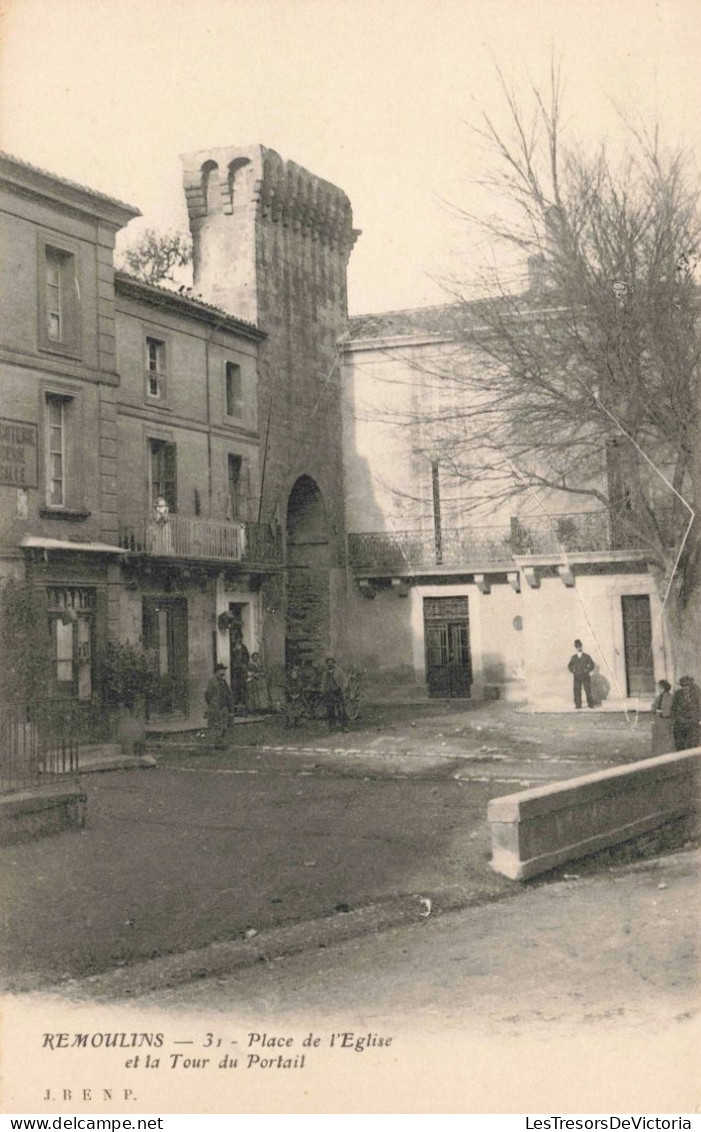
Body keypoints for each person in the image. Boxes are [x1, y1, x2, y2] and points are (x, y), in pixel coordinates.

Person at [204, 663, 234, 748]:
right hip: (217, 707)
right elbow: (207, 694)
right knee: (218, 726)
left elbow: (229, 694)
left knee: (224, 725)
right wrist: (213, 704)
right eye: (221, 670)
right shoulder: (212, 681)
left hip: (225, 707)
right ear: (217, 671)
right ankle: (218, 743)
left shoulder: (224, 681)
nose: (223, 672)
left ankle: (220, 741)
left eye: (224, 670)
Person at [671, 675, 701, 751]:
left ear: (690, 686)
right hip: (680, 723)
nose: (685, 688)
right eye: (682, 686)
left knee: (692, 744)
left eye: (686, 685)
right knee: (680, 745)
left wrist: (697, 719)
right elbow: (673, 708)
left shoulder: (696, 694)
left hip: (693, 723)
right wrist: (677, 719)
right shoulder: (678, 694)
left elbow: (699, 708)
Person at [320, 656, 348, 732]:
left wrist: (343, 688)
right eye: (328, 663)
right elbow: (323, 682)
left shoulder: (339, 670)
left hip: (337, 692)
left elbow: (345, 680)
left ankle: (344, 726)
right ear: (327, 664)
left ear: (334, 663)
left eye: (331, 662)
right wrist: (322, 690)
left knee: (341, 709)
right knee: (330, 710)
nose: (330, 664)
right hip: (328, 692)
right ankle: (331, 726)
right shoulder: (325, 673)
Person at [567, 639, 595, 709]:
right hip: (577, 676)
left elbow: (592, 664)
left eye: (579, 646)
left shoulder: (586, 656)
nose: (578, 648)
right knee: (577, 690)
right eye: (577, 646)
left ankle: (590, 705)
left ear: (581, 646)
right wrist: (573, 670)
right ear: (575, 648)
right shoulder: (574, 657)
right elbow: (569, 665)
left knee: (587, 690)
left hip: (585, 676)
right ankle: (578, 705)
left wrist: (587, 670)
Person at [650, 679, 673, 756]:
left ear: (664, 688)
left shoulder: (670, 698)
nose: (658, 689)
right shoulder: (658, 697)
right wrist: (656, 711)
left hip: (666, 722)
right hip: (657, 722)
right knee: (657, 740)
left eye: (659, 688)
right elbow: (653, 707)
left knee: (665, 740)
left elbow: (668, 711)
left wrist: (659, 712)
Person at [229, 631, 250, 715]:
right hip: (235, 669)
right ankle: (236, 703)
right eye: (238, 638)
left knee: (242, 685)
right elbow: (230, 656)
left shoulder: (243, 647)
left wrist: (244, 663)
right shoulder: (233, 647)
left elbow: (247, 656)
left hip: (241, 669)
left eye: (240, 638)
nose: (239, 640)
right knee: (235, 685)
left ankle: (243, 703)